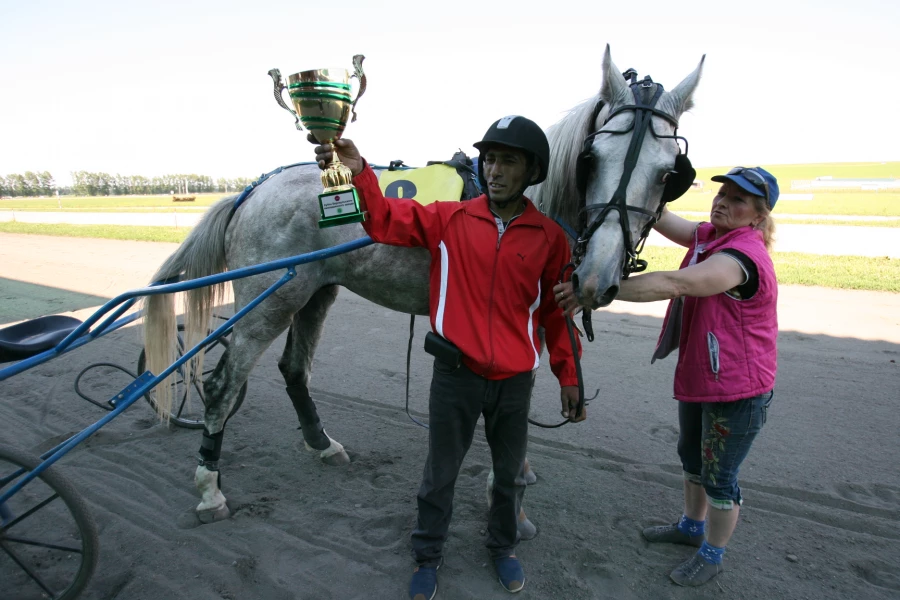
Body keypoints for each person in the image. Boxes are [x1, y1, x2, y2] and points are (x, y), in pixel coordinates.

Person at [312, 115, 584, 599]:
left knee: (508, 474)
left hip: (515, 382)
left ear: (531, 172)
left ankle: (502, 548)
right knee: (440, 474)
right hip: (455, 374)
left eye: (509, 161)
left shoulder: (550, 238)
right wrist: (360, 173)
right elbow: (382, 221)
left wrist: (569, 376)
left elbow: (556, 317)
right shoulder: (448, 218)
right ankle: (427, 554)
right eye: (490, 159)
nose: (495, 170)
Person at [555, 166, 779, 587]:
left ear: (757, 216)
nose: (722, 202)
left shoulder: (742, 256)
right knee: (691, 459)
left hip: (737, 390)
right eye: (722, 194)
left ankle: (712, 554)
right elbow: (657, 216)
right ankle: (690, 528)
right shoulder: (712, 236)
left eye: (737, 200)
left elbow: (675, 283)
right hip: (704, 377)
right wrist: (637, 177)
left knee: (720, 478)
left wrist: (600, 285)